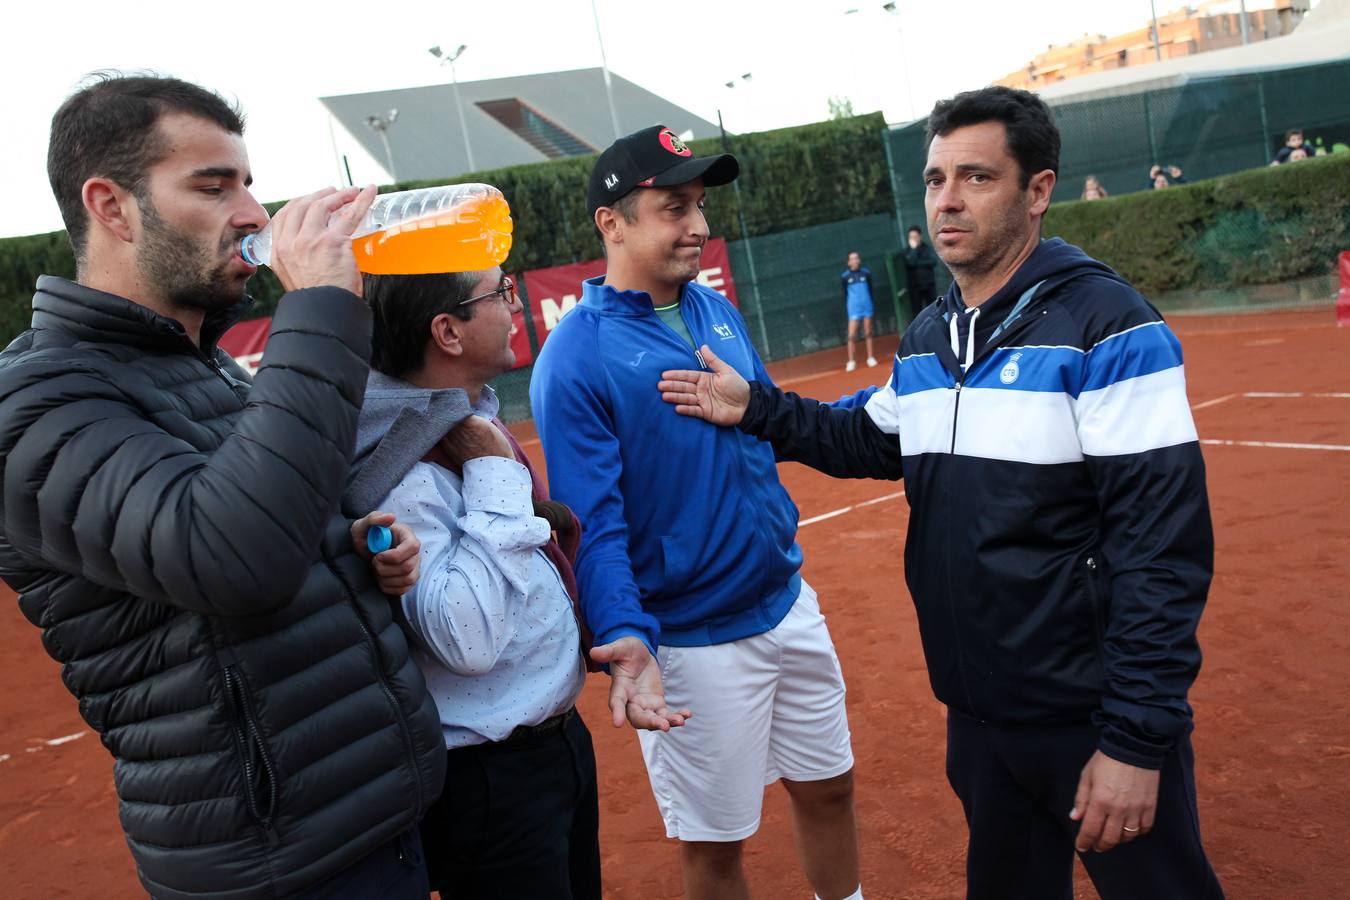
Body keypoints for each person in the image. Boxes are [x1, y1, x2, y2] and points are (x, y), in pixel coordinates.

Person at [658, 86, 1224, 900]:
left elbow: (1162, 549)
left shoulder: (1109, 328)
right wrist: (762, 409)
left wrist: (1136, 742)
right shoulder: (931, 335)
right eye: (933, 180)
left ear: (1038, 191)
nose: (946, 201)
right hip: (979, 711)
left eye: (976, 178)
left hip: (1088, 714)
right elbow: (871, 438)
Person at [0, 73, 447, 900]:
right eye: (214, 186)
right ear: (111, 206)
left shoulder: (199, 368)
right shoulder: (33, 401)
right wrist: (316, 307)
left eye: (247, 182)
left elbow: (263, 520)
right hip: (274, 865)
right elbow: (233, 560)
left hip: (365, 818)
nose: (253, 213)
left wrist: (348, 551)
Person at [530, 125, 862, 900]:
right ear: (612, 223)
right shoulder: (575, 357)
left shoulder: (715, 311)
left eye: (701, 206)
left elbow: (765, 422)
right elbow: (593, 525)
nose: (699, 226)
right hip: (692, 645)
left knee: (831, 787)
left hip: (787, 604)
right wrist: (626, 637)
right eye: (673, 207)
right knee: (717, 847)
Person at [343, 265, 608, 899]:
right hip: (488, 782)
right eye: (500, 293)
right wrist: (491, 469)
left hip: (555, 744)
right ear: (448, 332)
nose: (515, 304)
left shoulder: (459, 423)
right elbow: (466, 641)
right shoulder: (401, 469)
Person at [840, 250, 878, 371]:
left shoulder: (866, 274)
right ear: (848, 262)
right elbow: (845, 293)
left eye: (856, 258)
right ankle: (851, 361)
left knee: (868, 332)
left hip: (867, 307)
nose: (855, 260)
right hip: (853, 309)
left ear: (859, 260)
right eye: (852, 258)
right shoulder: (845, 277)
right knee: (851, 335)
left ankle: (870, 357)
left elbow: (871, 290)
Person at [902, 225, 939, 322]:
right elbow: (910, 263)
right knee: (917, 314)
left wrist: (918, 263)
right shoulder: (906, 251)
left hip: (929, 285)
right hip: (914, 288)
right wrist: (914, 250)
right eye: (911, 237)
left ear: (920, 236)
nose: (913, 239)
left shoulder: (927, 248)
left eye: (915, 236)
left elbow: (933, 261)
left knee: (934, 311)